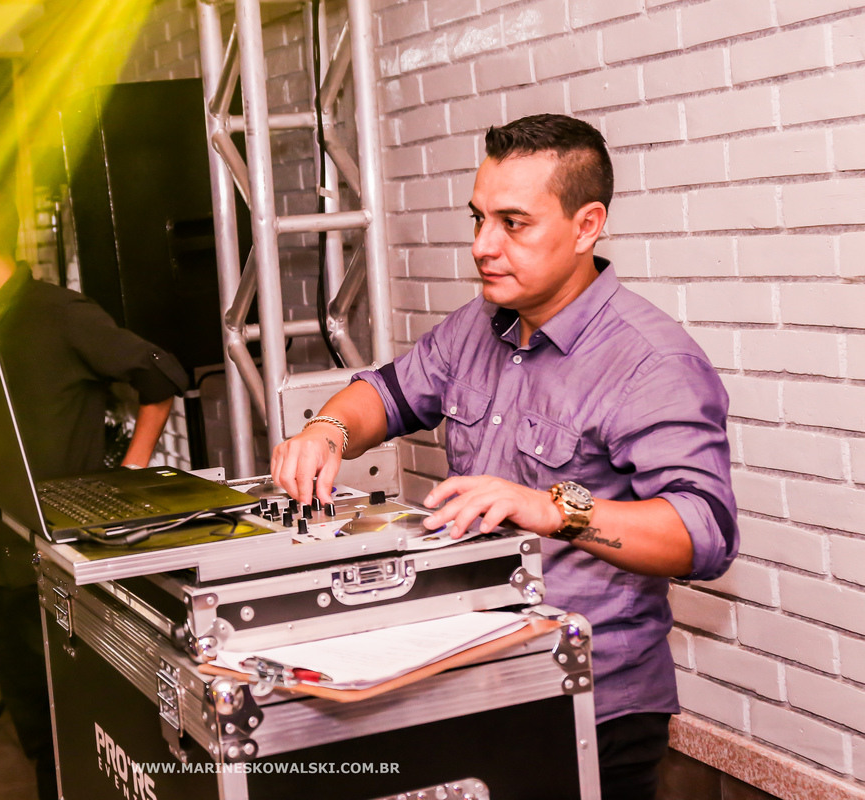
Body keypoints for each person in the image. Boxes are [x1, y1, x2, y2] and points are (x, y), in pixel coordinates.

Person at [271, 114, 737, 800]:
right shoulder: (478, 327)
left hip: (588, 708)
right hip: (473, 686)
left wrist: (551, 508)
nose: (483, 246)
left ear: (586, 226)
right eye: (479, 219)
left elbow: (704, 535)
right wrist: (328, 431)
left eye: (513, 224)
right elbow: (386, 394)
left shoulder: (651, 362)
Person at [0, 186, 187, 800]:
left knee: (70, 738)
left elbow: (161, 377)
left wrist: (130, 472)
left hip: (57, 565)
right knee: (35, 736)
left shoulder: (60, 314)